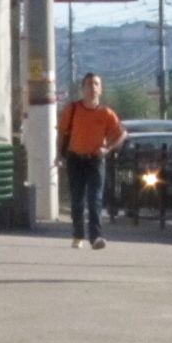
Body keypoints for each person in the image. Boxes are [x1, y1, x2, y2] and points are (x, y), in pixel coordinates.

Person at [55, 73, 126, 250]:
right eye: (88, 84)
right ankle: (78, 234)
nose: (92, 88)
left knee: (95, 199)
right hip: (75, 159)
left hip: (95, 161)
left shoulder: (106, 113)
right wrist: (58, 155)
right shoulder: (73, 109)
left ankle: (96, 237)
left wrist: (107, 148)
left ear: (100, 89)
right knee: (77, 200)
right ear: (83, 89)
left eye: (96, 84)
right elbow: (62, 133)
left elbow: (122, 134)